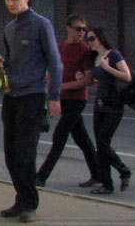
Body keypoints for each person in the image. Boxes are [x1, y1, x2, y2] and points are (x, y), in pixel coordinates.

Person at [0, 0, 62, 222]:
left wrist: (54, 97)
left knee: (25, 152)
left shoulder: (42, 25)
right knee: (10, 154)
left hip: (33, 95)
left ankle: (30, 203)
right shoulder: (10, 28)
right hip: (11, 95)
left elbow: (55, 61)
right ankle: (20, 199)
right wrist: (2, 63)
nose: (11, 3)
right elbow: (10, 58)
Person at [37, 14, 99, 188]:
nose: (81, 32)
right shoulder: (61, 47)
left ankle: (41, 176)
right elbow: (53, 70)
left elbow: (87, 80)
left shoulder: (85, 50)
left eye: (84, 29)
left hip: (77, 99)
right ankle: (98, 174)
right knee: (82, 139)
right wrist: (47, 81)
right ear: (68, 28)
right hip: (63, 98)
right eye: (78, 28)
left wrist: (61, 87)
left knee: (60, 136)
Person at [85, 27, 132, 195]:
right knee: (100, 145)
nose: (89, 42)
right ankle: (107, 184)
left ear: (100, 39)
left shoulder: (113, 55)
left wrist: (107, 68)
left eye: (92, 39)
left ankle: (124, 170)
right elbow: (99, 79)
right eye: (88, 39)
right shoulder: (95, 57)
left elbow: (127, 76)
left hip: (114, 105)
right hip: (99, 104)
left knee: (104, 142)